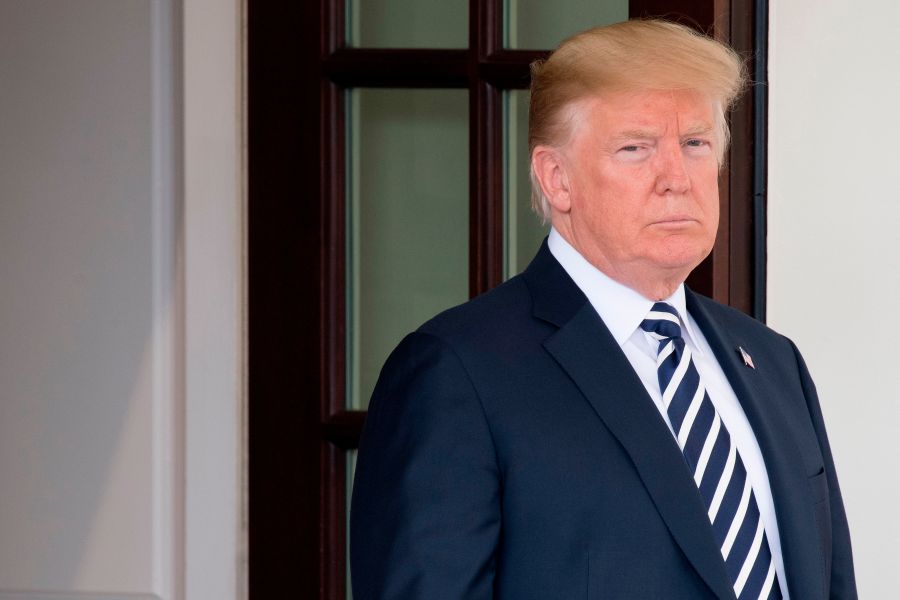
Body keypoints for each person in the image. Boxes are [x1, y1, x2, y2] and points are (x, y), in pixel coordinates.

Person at [350, 19, 856, 600]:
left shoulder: (773, 362)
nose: (676, 179)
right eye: (635, 148)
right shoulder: (457, 375)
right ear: (556, 179)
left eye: (695, 143)